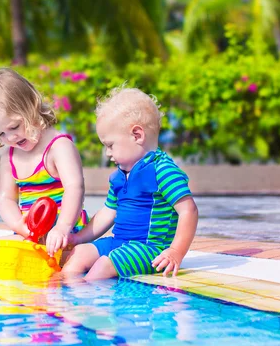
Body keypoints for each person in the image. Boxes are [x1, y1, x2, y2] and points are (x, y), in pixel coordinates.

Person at [62, 87, 199, 280]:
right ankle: (63, 296)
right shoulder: (119, 176)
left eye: (110, 145)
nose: (107, 153)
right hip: (119, 243)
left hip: (150, 250)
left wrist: (176, 251)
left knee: (103, 265)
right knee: (79, 254)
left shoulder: (163, 170)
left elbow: (188, 211)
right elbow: (107, 213)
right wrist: (77, 238)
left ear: (137, 135)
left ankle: (87, 301)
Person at [0, 68, 88, 268]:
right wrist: (19, 226)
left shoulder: (58, 147)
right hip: (31, 235)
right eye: (1, 134)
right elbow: (5, 199)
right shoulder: (10, 156)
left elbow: (75, 188)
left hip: (65, 236)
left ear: (31, 106)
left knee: (66, 263)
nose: (10, 138)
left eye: (14, 127)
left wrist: (63, 227)